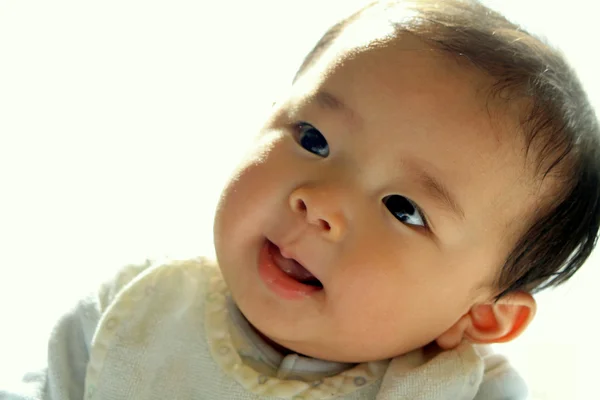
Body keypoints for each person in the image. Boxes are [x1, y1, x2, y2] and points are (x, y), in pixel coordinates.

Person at [2, 0, 599, 399]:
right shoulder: (131, 315)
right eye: (313, 138)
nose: (321, 202)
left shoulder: (465, 392)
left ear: (481, 318)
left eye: (403, 208)